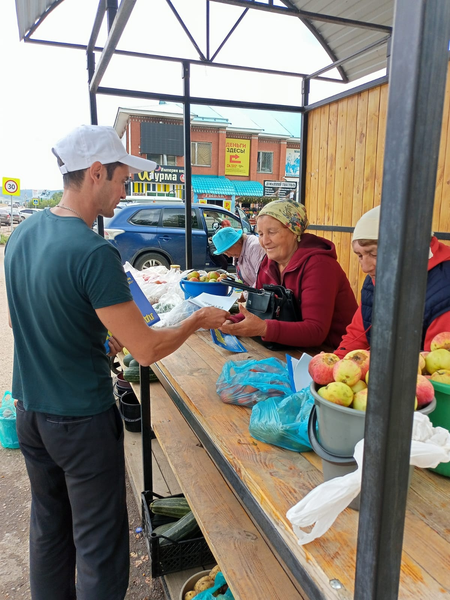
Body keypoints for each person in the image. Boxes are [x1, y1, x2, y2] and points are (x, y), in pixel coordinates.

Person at [4, 124, 228, 600]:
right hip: (79, 420)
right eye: (123, 178)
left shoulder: (24, 232)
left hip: (30, 408)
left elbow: (43, 317)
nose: (126, 190)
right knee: (101, 542)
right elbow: (145, 349)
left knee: (49, 528)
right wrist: (196, 320)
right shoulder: (93, 250)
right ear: (97, 173)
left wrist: (100, 343)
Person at [221, 199, 357, 349]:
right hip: (295, 350)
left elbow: (315, 331)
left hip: (337, 353)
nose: (264, 241)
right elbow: (258, 310)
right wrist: (233, 321)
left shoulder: (320, 265)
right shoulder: (268, 263)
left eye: (272, 232)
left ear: (294, 232)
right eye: (260, 234)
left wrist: (264, 328)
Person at [335, 205, 450, 357]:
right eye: (360, 256)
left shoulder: (443, 292)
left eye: (374, 254)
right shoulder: (377, 278)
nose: (365, 268)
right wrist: (335, 363)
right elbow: (356, 337)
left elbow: (437, 367)